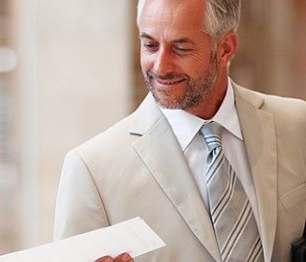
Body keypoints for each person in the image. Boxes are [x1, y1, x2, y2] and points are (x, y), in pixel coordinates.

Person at [54, 0, 306, 261]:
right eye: (150, 45)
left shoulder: (298, 126)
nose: (160, 67)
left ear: (225, 48)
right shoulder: (92, 171)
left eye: (181, 48)